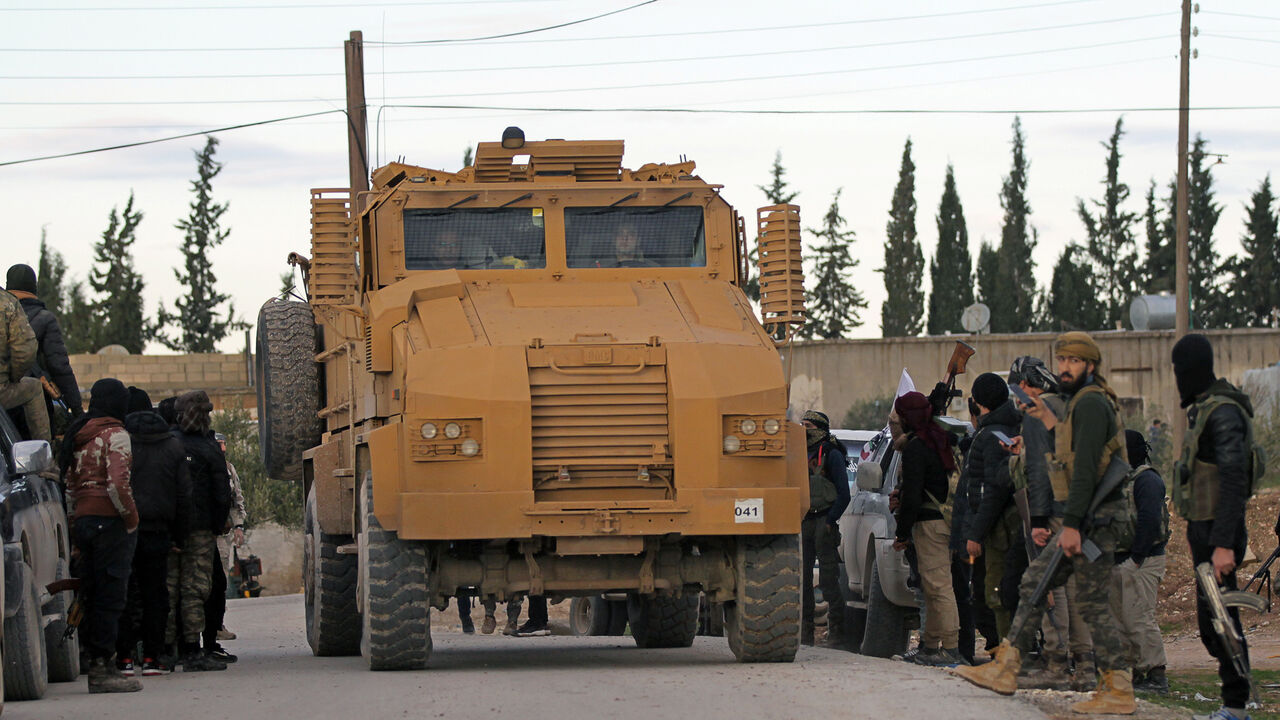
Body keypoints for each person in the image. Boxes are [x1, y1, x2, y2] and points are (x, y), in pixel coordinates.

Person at [955, 331, 1137, 715]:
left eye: (1073, 361)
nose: (1065, 367)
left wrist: (1068, 524)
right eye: (1062, 360)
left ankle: (1105, 682)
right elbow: (1053, 467)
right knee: (1052, 588)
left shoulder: (1085, 406)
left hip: (1091, 518)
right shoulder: (1071, 407)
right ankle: (1101, 680)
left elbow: (1084, 469)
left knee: (1055, 589)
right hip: (1092, 516)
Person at [1172, 334, 1257, 720]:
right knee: (1213, 624)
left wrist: (1222, 543)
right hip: (1205, 532)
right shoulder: (1205, 409)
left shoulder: (1221, 412)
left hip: (1219, 532)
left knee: (1221, 621)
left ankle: (1237, 705)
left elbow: (1234, 479)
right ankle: (1236, 703)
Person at [1010, 356, 1095, 692]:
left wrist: (1039, 520)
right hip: (1081, 512)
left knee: (1049, 587)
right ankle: (1086, 667)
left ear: (1029, 385)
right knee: (1076, 589)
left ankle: (1056, 665)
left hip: (1052, 511)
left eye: (1017, 387)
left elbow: (1039, 472)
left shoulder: (1037, 410)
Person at [62, 378, 142, 693]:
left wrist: (74, 528)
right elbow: (118, 483)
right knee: (111, 598)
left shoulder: (78, 436)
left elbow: (70, 488)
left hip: (83, 522)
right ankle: (102, 670)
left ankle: (94, 661)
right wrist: (131, 519)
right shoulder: (116, 434)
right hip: (110, 524)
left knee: (91, 595)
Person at [116, 387, 190, 677]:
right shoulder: (172, 446)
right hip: (158, 532)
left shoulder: (120, 443)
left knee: (122, 592)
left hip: (123, 529)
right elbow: (184, 496)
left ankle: (123, 658)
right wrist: (179, 536)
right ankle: (153, 658)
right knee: (155, 595)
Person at [892, 391, 963, 666]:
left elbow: (912, 494)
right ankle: (930, 647)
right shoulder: (942, 439)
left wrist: (901, 532)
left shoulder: (916, 447)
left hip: (930, 525)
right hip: (948, 523)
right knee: (934, 587)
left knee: (939, 587)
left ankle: (951, 648)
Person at [169, 390, 232, 671]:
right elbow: (222, 494)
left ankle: (167, 650)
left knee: (169, 589)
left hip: (169, 530)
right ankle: (193, 651)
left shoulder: (168, 444)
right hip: (200, 530)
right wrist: (218, 525)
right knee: (194, 589)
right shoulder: (209, 450)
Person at [1112, 429, 1170, 695]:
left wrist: (1136, 558)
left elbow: (1149, 521)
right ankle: (1132, 673)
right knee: (1121, 621)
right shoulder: (1121, 479)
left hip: (1143, 560)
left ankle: (1156, 675)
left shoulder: (1146, 480)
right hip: (1120, 560)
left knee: (1139, 619)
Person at [963, 373, 1019, 640]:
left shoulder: (992, 436)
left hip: (1000, 531)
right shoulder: (1006, 429)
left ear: (979, 401)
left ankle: (1008, 653)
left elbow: (992, 489)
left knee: (995, 593)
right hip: (1003, 527)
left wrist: (976, 533)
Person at [6, 263, 83, 428]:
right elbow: (59, 367)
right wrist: (77, 409)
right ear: (33, 288)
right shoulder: (44, 319)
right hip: (31, 407)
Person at [800, 410, 850, 647]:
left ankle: (838, 631)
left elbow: (844, 494)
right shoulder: (799, 454)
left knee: (829, 579)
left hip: (824, 522)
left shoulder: (831, 454)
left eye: (807, 425)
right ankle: (804, 634)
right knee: (802, 580)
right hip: (804, 521)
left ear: (819, 428)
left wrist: (830, 521)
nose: (803, 429)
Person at [204, 431, 246, 663]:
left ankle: (217, 624)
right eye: (217, 443)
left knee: (220, 580)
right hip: (203, 533)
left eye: (223, 443)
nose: (221, 448)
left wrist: (239, 526)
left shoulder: (228, 469)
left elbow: (236, 499)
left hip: (222, 534)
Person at [0, 288, 51, 444]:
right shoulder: (7, 302)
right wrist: (12, 377)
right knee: (34, 388)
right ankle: (44, 460)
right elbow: (24, 351)